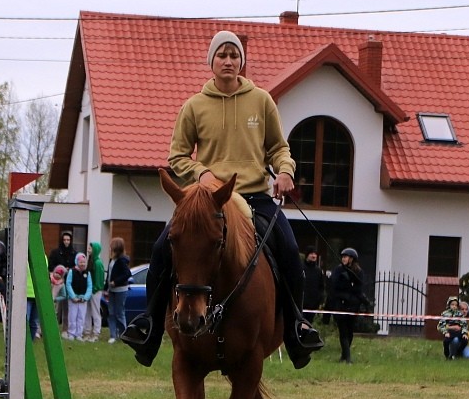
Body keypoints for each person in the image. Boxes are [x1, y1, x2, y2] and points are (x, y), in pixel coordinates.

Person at [120, 30, 322, 368]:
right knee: (160, 250)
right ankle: (149, 327)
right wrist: (202, 175)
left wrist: (285, 170)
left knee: (289, 250)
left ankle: (297, 330)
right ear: (211, 62)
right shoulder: (194, 106)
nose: (228, 61)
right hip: (207, 201)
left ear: (242, 61)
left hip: (254, 195)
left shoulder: (262, 100)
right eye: (221, 55)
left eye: (233, 55)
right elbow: (177, 157)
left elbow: (278, 147)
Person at [327, 248, 369, 364]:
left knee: (350, 332)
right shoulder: (338, 270)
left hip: (353, 306)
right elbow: (334, 286)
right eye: (343, 257)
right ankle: (348, 358)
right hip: (340, 305)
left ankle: (344, 356)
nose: (343, 259)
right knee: (343, 331)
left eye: (346, 257)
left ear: (351, 259)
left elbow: (359, 288)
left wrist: (363, 302)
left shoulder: (358, 271)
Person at [105, 237, 131, 344]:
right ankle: (113, 335)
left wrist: (116, 282)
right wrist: (105, 288)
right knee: (111, 312)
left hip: (120, 290)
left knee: (120, 312)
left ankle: (123, 334)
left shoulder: (121, 261)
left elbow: (127, 274)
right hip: (111, 290)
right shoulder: (112, 260)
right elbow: (109, 275)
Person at [63, 252, 92, 341]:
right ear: (77, 262)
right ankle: (71, 333)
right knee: (72, 316)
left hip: (83, 299)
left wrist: (86, 297)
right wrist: (73, 296)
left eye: (84, 262)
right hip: (73, 299)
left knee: (81, 317)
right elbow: (68, 284)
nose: (83, 264)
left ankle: (79, 334)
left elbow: (89, 286)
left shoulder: (87, 273)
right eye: (81, 262)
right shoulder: (72, 271)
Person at [437, 295, 469, 360]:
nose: (454, 306)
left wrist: (464, 333)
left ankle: (458, 353)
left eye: (455, 305)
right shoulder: (445, 314)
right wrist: (446, 331)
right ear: (449, 305)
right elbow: (441, 325)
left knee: (465, 341)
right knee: (447, 341)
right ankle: (448, 355)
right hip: (450, 333)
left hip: (459, 332)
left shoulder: (460, 315)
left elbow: (464, 325)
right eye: (452, 304)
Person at [83, 241, 105, 342]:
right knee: (87, 311)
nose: (88, 249)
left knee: (95, 311)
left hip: (95, 291)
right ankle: (87, 332)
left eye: (90, 248)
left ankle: (96, 333)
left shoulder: (98, 263)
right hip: (90, 290)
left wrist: (95, 289)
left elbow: (99, 279)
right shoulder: (91, 261)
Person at [302, 247, 327, 325]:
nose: (313, 256)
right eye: (311, 253)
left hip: (313, 305)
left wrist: (320, 300)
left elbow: (321, 286)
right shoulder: (301, 268)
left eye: (315, 254)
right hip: (301, 304)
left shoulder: (318, 271)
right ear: (307, 255)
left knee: (309, 324)